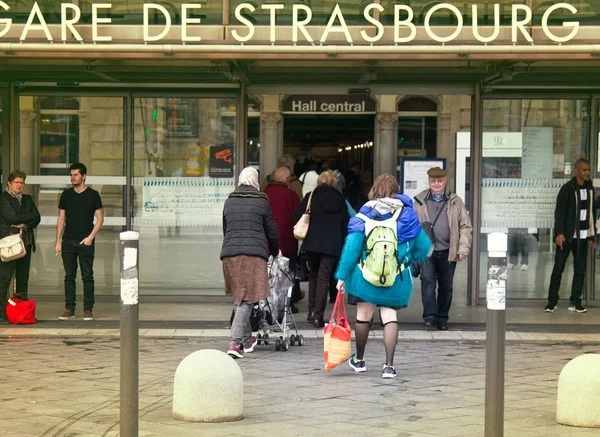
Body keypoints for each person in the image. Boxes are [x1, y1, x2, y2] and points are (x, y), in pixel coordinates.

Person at [336, 174, 431, 378]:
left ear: (375, 190)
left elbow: (352, 248)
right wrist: (405, 258)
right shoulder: (408, 215)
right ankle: (389, 366)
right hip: (395, 278)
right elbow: (424, 248)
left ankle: (359, 360)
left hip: (365, 278)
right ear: (396, 189)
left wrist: (342, 276)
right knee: (389, 316)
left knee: (363, 316)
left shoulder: (365, 213)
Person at [222, 167, 280, 358]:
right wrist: (275, 250)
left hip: (230, 254)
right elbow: (271, 230)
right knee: (248, 298)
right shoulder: (261, 200)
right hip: (253, 255)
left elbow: (226, 228)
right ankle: (234, 343)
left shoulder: (229, 200)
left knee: (240, 295)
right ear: (255, 181)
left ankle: (247, 340)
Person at [413, 166, 472, 330]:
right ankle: (430, 316)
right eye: (433, 181)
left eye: (439, 181)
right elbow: (412, 227)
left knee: (446, 285)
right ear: (429, 181)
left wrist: (463, 248)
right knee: (427, 282)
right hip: (427, 251)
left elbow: (466, 226)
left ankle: (442, 318)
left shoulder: (455, 201)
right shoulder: (419, 201)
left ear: (445, 181)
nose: (436, 184)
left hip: (448, 251)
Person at [294, 170, 349, 328]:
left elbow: (296, 214)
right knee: (324, 279)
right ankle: (318, 316)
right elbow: (345, 224)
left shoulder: (311, 196)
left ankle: (311, 313)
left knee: (314, 275)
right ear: (333, 182)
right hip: (332, 245)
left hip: (312, 243)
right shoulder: (340, 199)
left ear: (319, 181)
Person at [545, 159, 596, 313]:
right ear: (576, 171)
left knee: (580, 270)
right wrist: (559, 234)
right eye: (584, 170)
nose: (587, 173)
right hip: (567, 237)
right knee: (558, 269)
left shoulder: (590, 189)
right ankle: (552, 301)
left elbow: (591, 214)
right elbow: (559, 213)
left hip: (582, 237)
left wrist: (591, 235)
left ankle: (575, 301)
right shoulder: (567, 189)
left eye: (588, 170)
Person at [56, 163, 104, 321]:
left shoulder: (93, 195)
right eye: (71, 175)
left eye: (76, 175)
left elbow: (100, 219)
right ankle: (69, 308)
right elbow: (61, 218)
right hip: (68, 240)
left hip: (86, 241)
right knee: (69, 276)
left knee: (87, 276)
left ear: (84, 176)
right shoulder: (66, 195)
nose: (73, 177)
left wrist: (90, 237)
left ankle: (88, 309)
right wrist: (58, 241)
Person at [0, 171, 41, 325]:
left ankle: (21, 311)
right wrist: (27, 216)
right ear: (9, 183)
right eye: (16, 182)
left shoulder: (28, 198)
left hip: (25, 243)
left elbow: (37, 217)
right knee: (4, 279)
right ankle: (1, 313)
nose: (19, 185)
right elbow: (12, 217)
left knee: (23, 280)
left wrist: (24, 224)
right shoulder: (3, 198)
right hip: (9, 245)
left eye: (21, 182)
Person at [263, 166, 303, 312]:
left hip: (266, 242)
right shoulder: (291, 195)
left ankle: (266, 301)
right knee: (288, 273)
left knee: (266, 272)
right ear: (287, 179)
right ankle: (287, 303)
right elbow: (298, 219)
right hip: (286, 243)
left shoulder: (264, 194)